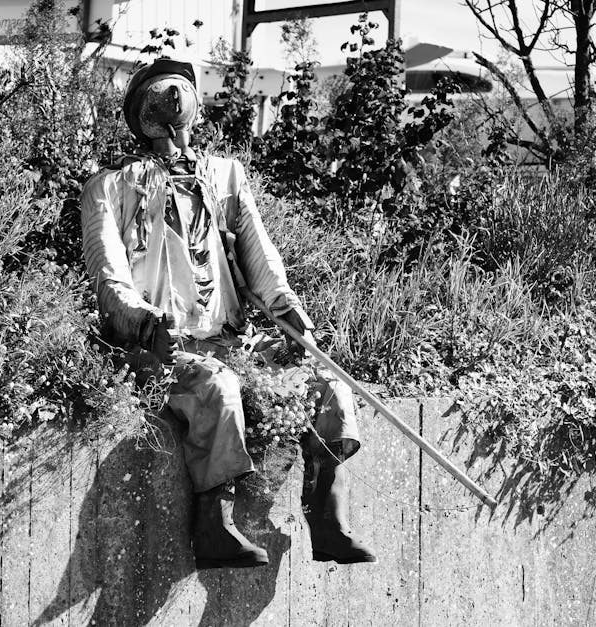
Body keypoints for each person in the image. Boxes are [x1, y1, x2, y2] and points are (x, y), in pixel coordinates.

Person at [81, 58, 376, 569]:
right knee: (217, 387)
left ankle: (328, 519)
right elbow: (109, 277)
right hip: (159, 347)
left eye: (180, 94)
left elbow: (260, 257)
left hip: (231, 338)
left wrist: (289, 312)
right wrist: (146, 323)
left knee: (328, 384)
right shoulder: (109, 187)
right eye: (160, 97)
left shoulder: (224, 176)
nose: (173, 105)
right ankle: (213, 526)